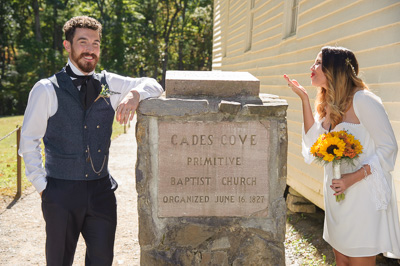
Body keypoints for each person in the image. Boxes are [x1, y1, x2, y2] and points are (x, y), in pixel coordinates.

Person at [19, 16, 163, 265]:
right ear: (67, 46)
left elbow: (154, 85)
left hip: (101, 192)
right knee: (59, 260)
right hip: (60, 192)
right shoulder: (46, 89)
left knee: (102, 260)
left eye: (95, 43)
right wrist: (43, 187)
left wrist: (134, 95)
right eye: (83, 42)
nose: (90, 49)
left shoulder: (111, 84)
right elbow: (28, 142)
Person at [284, 46, 400, 266]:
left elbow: (389, 147)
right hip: (338, 197)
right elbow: (313, 144)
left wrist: (352, 178)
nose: (312, 67)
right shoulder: (330, 103)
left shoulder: (364, 100)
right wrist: (305, 100)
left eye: (318, 62)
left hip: (362, 195)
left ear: (334, 69)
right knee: (342, 260)